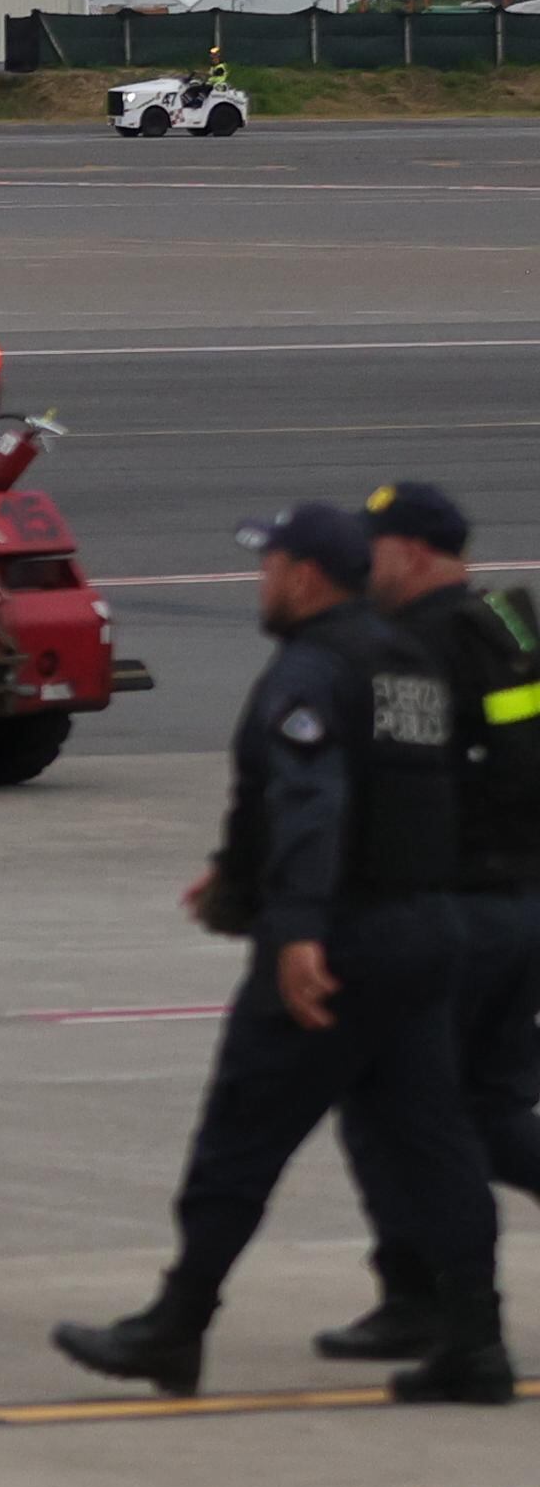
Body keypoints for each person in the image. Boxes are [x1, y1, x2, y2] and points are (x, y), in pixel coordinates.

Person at [56, 501, 511, 1404]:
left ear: (306, 576)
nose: (262, 579)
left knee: (240, 1137)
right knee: (436, 1144)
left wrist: (298, 925)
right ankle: (475, 1339)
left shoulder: (313, 668)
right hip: (424, 931)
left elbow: (314, 797)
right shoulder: (408, 663)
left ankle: (176, 1327)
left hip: (340, 938)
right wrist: (235, 868)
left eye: (270, 565)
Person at [320, 481, 540, 1359]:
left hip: (449, 910)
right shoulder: (508, 625)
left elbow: (391, 792)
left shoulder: (407, 649)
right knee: (488, 1108)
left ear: (410, 551)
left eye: (372, 546)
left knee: (390, 1105)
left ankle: (419, 1295)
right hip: (522, 902)